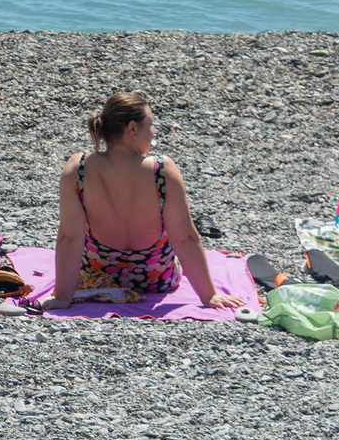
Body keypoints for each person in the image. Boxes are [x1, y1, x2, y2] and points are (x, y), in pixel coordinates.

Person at [37, 92, 245, 311]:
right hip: (157, 281)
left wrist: (62, 298)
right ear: (132, 129)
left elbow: (70, 237)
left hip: (99, 278)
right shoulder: (161, 171)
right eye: (150, 124)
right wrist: (209, 296)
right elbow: (185, 238)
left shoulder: (78, 168)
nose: (153, 133)